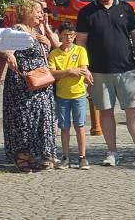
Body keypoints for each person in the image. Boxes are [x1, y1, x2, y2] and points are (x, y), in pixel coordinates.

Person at [76, 0, 135, 168]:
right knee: (105, 112)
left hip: (127, 69)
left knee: (133, 111)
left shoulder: (126, 9)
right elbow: (81, 43)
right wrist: (84, 67)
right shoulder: (86, 12)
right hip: (98, 71)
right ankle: (112, 152)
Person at [3, 0, 57, 172]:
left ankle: (38, 155)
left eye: (42, 11)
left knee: (42, 118)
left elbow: (56, 48)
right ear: (26, 12)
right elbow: (8, 47)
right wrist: (9, 55)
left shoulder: (38, 30)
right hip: (24, 84)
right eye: (38, 11)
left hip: (42, 83)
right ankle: (22, 156)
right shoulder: (19, 30)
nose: (41, 14)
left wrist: (47, 40)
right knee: (24, 119)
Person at [48, 21, 92, 169]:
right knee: (64, 127)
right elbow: (52, 74)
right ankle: (65, 156)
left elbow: (83, 70)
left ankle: (82, 157)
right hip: (62, 95)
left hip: (78, 94)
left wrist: (75, 72)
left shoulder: (80, 51)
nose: (68, 38)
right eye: (65, 35)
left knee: (80, 126)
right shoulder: (54, 53)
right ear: (60, 36)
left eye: (71, 35)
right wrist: (69, 72)